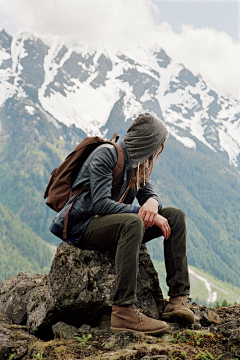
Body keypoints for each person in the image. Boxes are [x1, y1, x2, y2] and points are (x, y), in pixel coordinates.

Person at [50, 112, 194, 335]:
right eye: (157, 145)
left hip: (113, 226)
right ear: (148, 142)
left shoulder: (136, 164)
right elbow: (100, 205)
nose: (157, 152)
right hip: (82, 227)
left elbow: (149, 192)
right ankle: (124, 312)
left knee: (174, 217)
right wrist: (142, 212)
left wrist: (153, 204)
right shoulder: (106, 155)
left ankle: (177, 299)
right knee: (133, 223)